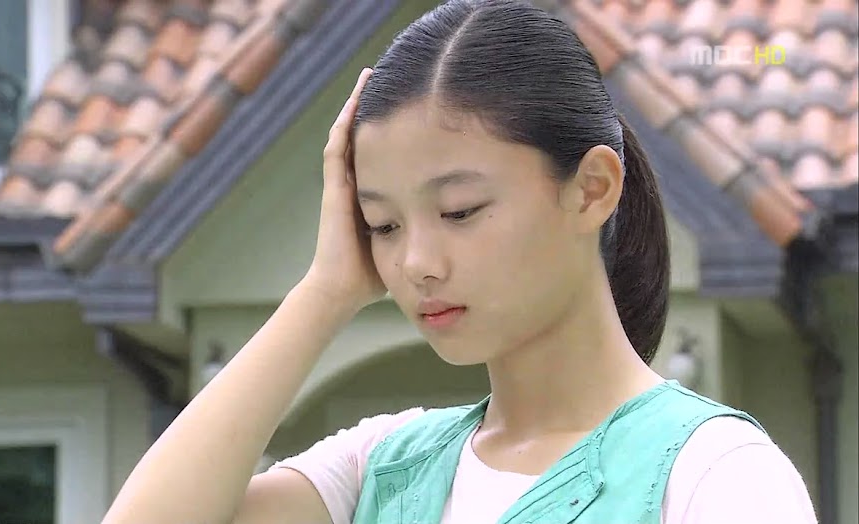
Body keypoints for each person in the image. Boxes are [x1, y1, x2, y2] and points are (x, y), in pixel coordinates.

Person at [101, 1, 817, 523]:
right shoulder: (384, 469)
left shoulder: (716, 473)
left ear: (592, 189)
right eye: (382, 224)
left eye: (460, 211)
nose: (417, 262)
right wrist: (325, 292)